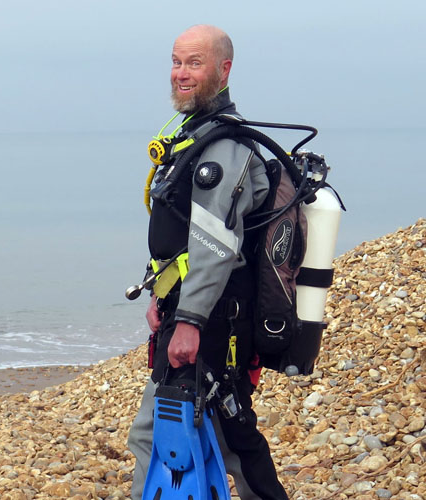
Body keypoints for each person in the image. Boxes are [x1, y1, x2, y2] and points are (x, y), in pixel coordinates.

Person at [126, 25, 289, 500]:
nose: (181, 74)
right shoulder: (191, 137)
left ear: (224, 69)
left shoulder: (224, 148)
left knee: (173, 436)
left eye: (194, 63)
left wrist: (190, 321)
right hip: (194, 312)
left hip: (215, 320)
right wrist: (162, 296)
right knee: (229, 437)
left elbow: (215, 246)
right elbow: (181, 238)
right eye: (177, 62)